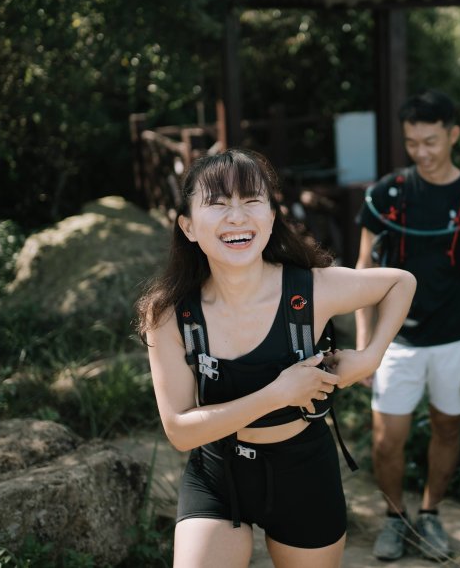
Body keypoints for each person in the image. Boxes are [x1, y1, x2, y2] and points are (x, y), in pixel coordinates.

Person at [138, 148, 416, 568]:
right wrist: (280, 393)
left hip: (304, 472)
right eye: (217, 203)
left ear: (270, 216)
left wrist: (371, 357)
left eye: (252, 200)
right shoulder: (170, 314)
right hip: (218, 474)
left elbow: (400, 283)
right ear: (188, 227)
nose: (237, 216)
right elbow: (179, 431)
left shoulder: (311, 289)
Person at [355, 89, 460, 561]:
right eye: (412, 142)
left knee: (447, 428)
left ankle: (431, 514)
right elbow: (361, 271)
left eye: (431, 141)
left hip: (457, 337)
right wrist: (364, 346)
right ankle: (394, 518)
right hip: (395, 339)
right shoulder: (386, 195)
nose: (421, 152)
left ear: (453, 135)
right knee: (386, 440)